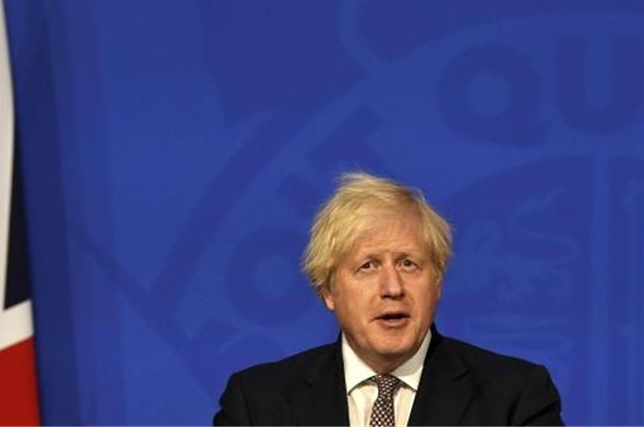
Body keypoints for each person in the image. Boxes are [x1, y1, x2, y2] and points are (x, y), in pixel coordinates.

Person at [214, 172, 563, 426]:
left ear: (437, 282)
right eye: (367, 266)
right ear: (328, 290)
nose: (392, 287)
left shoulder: (514, 398)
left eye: (408, 264)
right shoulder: (257, 405)